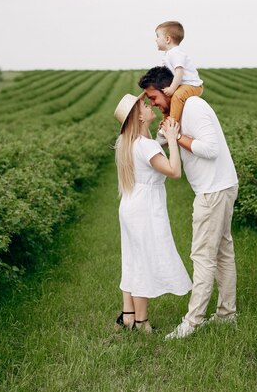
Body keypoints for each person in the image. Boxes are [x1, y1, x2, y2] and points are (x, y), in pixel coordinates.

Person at [138, 66, 239, 340]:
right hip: (220, 186)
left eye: (154, 97)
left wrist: (176, 137)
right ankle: (226, 315)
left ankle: (192, 322)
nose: (154, 103)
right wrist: (166, 131)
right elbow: (163, 138)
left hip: (213, 190)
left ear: (167, 89)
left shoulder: (193, 106)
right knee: (222, 253)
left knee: (203, 257)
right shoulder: (177, 111)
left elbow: (211, 148)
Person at [113, 93, 192, 333]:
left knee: (133, 258)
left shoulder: (129, 142)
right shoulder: (145, 145)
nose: (149, 107)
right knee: (144, 262)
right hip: (144, 208)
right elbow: (174, 171)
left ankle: (128, 315)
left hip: (130, 205)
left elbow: (150, 152)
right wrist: (172, 138)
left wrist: (162, 139)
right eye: (145, 105)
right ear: (138, 116)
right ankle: (141, 321)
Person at [154, 21, 203, 136]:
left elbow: (179, 72)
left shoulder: (175, 53)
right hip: (182, 85)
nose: (155, 40)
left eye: (157, 36)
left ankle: (171, 125)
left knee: (177, 96)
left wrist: (172, 88)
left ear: (167, 39)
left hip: (192, 85)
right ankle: (166, 123)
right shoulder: (169, 54)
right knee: (168, 99)